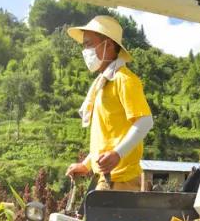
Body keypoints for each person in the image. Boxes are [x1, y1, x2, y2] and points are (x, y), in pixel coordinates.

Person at [64, 15, 154, 191]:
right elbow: (107, 138)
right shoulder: (103, 84)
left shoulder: (124, 79)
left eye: (89, 44)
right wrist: (86, 164)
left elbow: (145, 121)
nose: (85, 50)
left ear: (109, 45)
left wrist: (117, 154)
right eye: (84, 45)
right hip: (109, 178)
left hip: (122, 179)